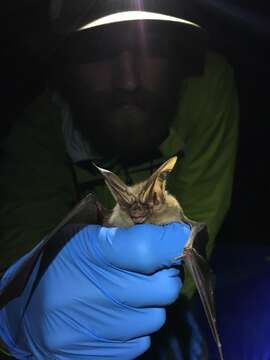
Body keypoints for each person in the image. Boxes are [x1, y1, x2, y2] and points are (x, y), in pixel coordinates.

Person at [0, 1, 238, 359]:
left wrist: (169, 300)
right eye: (96, 51)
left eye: (151, 45)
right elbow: (22, 252)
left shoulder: (205, 90)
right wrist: (18, 323)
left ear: (177, 54)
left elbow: (202, 211)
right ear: (63, 66)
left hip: (168, 298)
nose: (128, 80)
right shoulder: (37, 136)